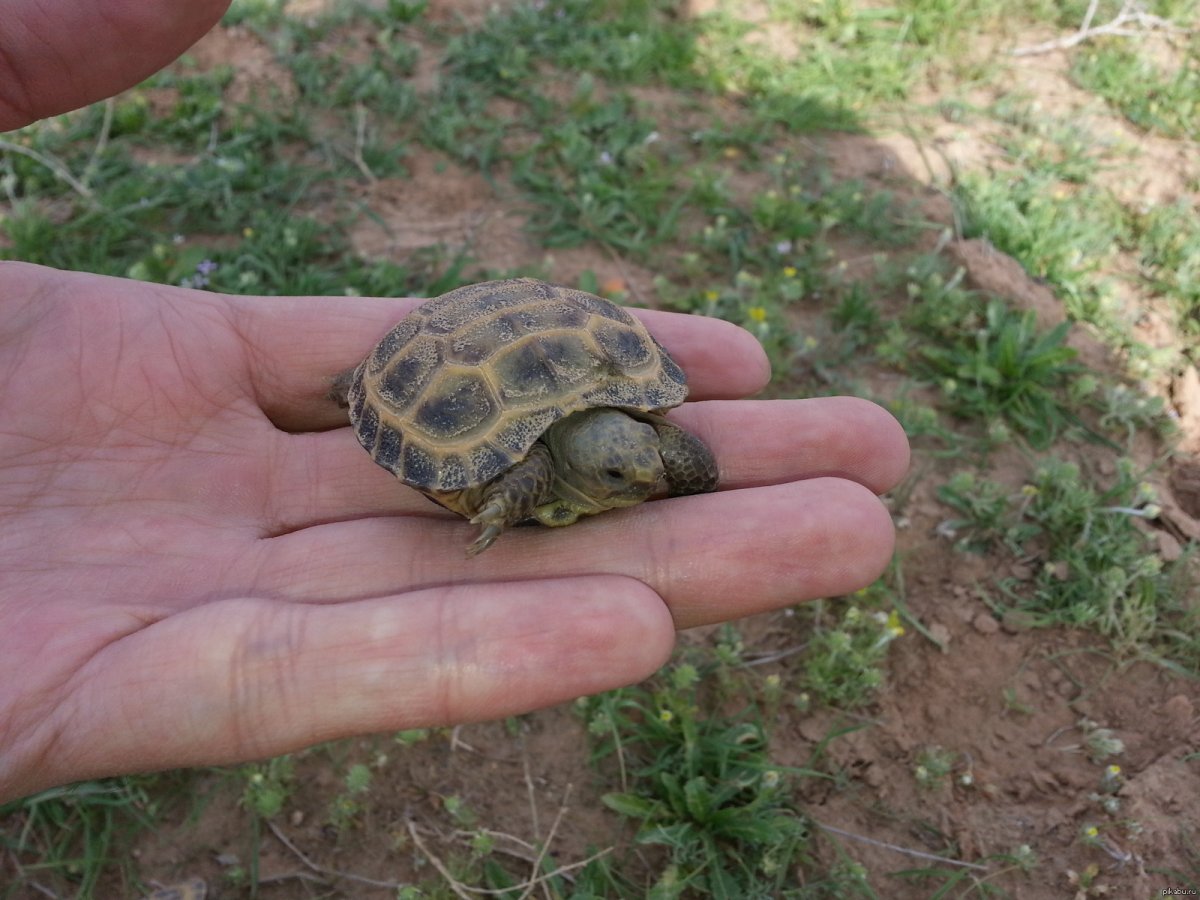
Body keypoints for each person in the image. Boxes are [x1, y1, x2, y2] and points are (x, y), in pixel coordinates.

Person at [0, 0, 909, 804]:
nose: (643, 474)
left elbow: (665, 458)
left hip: (558, 348)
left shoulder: (641, 446)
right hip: (457, 376)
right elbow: (513, 478)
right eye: (629, 468)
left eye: (637, 462)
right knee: (501, 483)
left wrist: (682, 472)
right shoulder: (524, 473)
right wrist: (499, 501)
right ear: (580, 468)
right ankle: (367, 386)